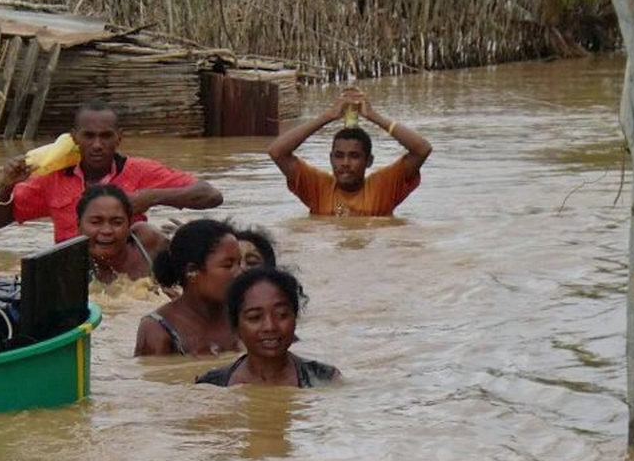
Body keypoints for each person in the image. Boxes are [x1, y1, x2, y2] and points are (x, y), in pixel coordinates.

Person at [0, 100, 223, 241]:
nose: (97, 145)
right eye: (89, 136)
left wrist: (150, 197)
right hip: (71, 272)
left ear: (119, 137)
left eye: (106, 136)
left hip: (125, 273)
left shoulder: (141, 171)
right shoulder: (53, 177)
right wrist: (6, 184)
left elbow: (211, 195)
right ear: (74, 138)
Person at [267, 87, 431, 216]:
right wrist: (328, 116)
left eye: (354, 156)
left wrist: (374, 116)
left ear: (369, 161)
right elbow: (277, 151)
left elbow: (422, 149)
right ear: (330, 159)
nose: (345, 163)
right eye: (339, 156)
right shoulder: (317, 186)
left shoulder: (383, 186)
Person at [196, 267, 340, 388]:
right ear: (236, 326)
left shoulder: (325, 379)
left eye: (281, 315)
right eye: (255, 317)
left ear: (294, 318)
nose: (270, 327)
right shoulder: (212, 386)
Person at [134, 219, 243, 356]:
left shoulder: (246, 316)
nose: (240, 272)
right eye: (227, 265)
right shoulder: (157, 330)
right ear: (192, 271)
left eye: (240, 263)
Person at [77, 184, 167, 284]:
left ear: (129, 224)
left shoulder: (146, 242)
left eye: (117, 222)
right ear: (79, 226)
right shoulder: (69, 267)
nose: (107, 231)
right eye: (96, 222)